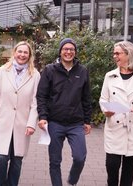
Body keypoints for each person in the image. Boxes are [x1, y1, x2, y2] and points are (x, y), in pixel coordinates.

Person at [0, 41, 40, 186]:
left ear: (29, 55)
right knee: (1, 158)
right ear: (14, 53)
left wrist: (31, 123)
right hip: (3, 123)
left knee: (17, 160)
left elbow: (35, 102)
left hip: (22, 125)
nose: (22, 55)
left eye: (25, 52)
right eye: (19, 51)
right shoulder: (3, 71)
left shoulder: (35, 75)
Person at [36, 38, 92, 186]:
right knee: (54, 161)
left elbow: (86, 98)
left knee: (80, 157)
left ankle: (72, 181)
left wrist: (87, 121)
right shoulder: (49, 70)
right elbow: (41, 96)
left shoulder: (83, 71)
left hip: (76, 124)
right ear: (60, 52)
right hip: (55, 123)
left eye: (71, 49)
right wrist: (42, 116)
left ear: (75, 52)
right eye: (65, 49)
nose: (68, 52)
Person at [99, 41, 133, 186]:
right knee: (112, 165)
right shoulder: (109, 76)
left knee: (129, 170)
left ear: (128, 54)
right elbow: (103, 99)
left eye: (117, 53)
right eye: (114, 53)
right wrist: (107, 110)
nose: (114, 56)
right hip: (114, 127)